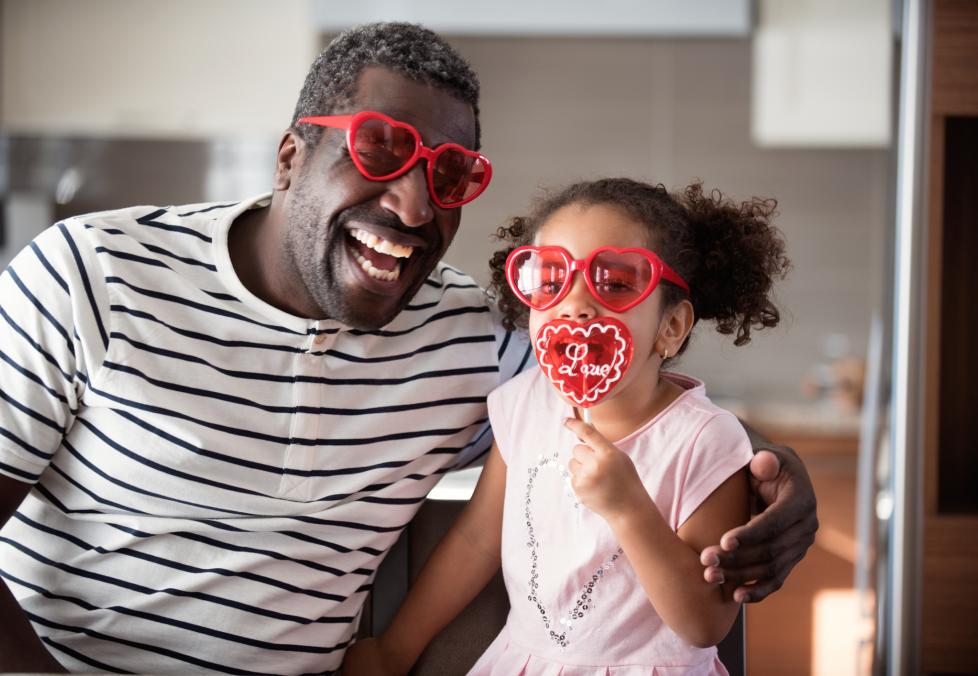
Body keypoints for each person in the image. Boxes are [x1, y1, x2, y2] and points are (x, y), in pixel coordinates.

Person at [0, 22, 815, 675]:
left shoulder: (473, 340)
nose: (417, 205)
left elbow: (631, 398)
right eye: (379, 149)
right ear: (291, 156)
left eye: (451, 173)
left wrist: (772, 480)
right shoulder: (88, 274)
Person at [343, 177, 793, 675]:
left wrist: (628, 509)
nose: (575, 304)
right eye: (551, 280)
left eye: (616, 283)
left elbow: (705, 624)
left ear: (671, 327)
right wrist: (393, 652)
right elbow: (476, 541)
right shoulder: (526, 405)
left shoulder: (704, 442)